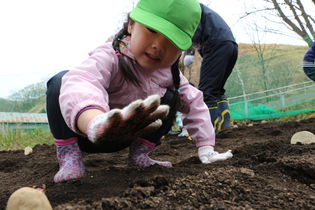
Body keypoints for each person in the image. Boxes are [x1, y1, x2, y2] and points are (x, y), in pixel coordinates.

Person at [46, 0, 233, 183]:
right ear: (131, 25)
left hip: (128, 135)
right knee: (60, 82)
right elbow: (83, 82)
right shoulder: (109, 56)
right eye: (152, 30)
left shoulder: (169, 74)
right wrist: (94, 122)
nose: (159, 46)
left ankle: (139, 156)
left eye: (172, 41)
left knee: (172, 97)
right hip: (85, 133)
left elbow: (195, 104)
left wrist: (206, 147)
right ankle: (69, 158)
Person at [183, 3, 238, 134]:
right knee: (217, 90)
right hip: (231, 45)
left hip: (215, 45)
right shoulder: (203, 9)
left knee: (206, 92)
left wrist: (189, 52)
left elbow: (192, 28)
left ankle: (207, 133)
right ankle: (224, 124)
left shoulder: (189, 8)